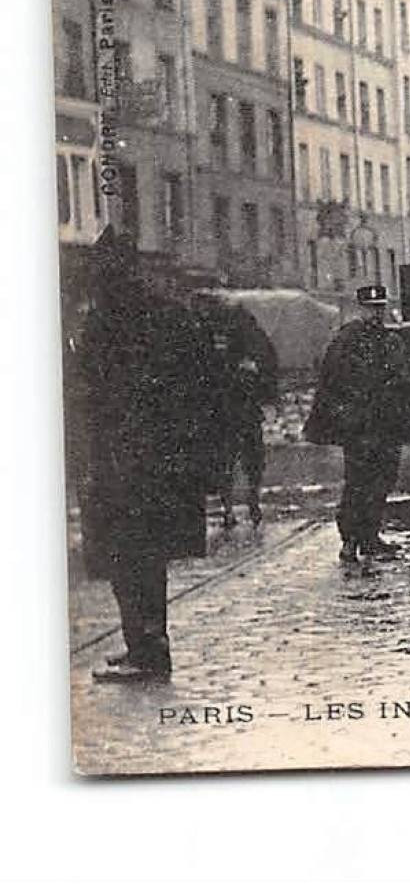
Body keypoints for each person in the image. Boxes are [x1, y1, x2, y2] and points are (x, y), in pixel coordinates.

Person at [77, 229, 216, 683]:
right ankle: (146, 643)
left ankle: (147, 650)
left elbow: (87, 394)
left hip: (124, 462)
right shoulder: (170, 316)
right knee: (147, 558)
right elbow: (202, 386)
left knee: (126, 556)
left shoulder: (106, 323)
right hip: (162, 462)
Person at [304, 285, 410, 562]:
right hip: (359, 426)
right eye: (370, 309)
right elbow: (332, 379)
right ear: (359, 308)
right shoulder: (347, 340)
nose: (375, 314)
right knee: (358, 482)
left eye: (379, 309)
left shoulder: (391, 341)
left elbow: (404, 378)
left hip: (386, 425)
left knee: (384, 479)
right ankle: (350, 541)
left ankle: (370, 537)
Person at [197, 296, 279, 527]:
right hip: (239, 407)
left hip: (228, 407)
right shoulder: (242, 329)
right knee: (246, 458)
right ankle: (246, 504)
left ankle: (234, 506)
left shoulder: (213, 330)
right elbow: (267, 362)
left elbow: (265, 361)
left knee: (230, 459)